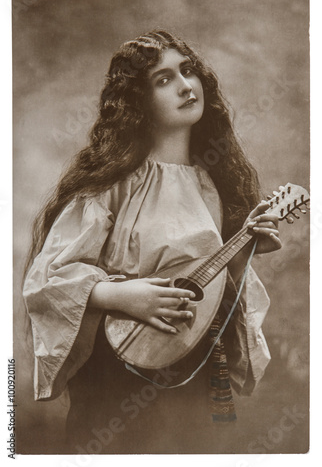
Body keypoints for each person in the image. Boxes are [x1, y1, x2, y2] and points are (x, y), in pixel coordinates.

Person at [23, 29, 281, 454]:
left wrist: (240, 256)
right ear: (137, 102)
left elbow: (213, 291)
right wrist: (123, 296)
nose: (185, 86)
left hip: (193, 365)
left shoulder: (214, 182)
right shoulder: (112, 184)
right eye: (163, 80)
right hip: (118, 375)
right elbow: (47, 282)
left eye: (188, 71)